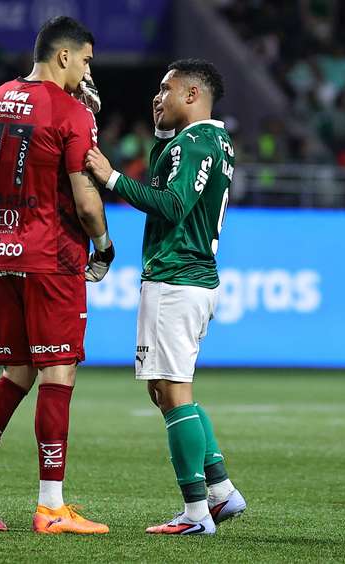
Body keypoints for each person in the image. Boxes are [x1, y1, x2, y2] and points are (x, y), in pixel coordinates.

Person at [0, 16, 114, 534]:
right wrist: (104, 247)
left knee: (16, 374)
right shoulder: (71, 112)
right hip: (53, 256)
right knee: (58, 375)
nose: (87, 70)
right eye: (85, 60)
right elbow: (86, 202)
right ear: (64, 56)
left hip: (5, 251)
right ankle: (51, 506)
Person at [85, 59, 246, 535]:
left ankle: (196, 513)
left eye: (165, 89)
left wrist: (111, 178)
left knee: (174, 392)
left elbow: (173, 204)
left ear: (192, 95)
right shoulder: (211, 141)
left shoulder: (193, 144)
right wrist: (157, 135)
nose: (157, 97)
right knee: (164, 389)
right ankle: (220, 490)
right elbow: (166, 181)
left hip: (176, 278)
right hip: (191, 279)